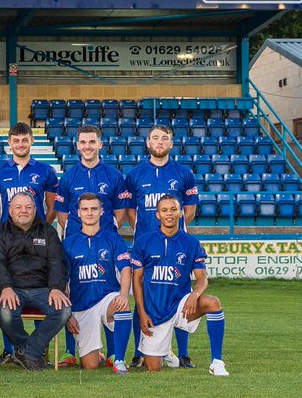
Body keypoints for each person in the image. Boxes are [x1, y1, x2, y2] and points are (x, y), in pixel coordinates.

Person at [124, 123, 200, 369]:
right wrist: (148, 236)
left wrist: (173, 231)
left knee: (181, 296)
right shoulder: (135, 175)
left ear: (171, 143)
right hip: (146, 249)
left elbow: (189, 210)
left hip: (177, 247)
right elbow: (129, 211)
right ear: (148, 143)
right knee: (142, 298)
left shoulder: (183, 173)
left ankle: (183, 353)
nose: (159, 142)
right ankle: (139, 351)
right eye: (155, 138)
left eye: (164, 138)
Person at [132, 195, 228, 377]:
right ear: (158, 215)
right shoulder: (143, 241)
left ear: (180, 213)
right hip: (155, 311)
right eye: (164, 210)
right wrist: (141, 313)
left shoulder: (191, 243)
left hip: (181, 306)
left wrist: (194, 295)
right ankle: (165, 350)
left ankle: (217, 362)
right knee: (153, 367)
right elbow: (137, 280)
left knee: (213, 303)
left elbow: (202, 280)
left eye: (173, 209)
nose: (169, 214)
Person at [0, 192, 70, 371]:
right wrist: (5, 287)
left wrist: (56, 288)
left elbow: (57, 262)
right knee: (5, 312)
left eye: (28, 207)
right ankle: (29, 351)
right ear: (10, 211)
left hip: (43, 289)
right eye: (18, 207)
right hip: (12, 289)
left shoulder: (48, 231)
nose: (23, 211)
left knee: (64, 310)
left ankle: (27, 352)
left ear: (35, 210)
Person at [62, 193, 133, 375]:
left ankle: (119, 359)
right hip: (81, 306)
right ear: (78, 212)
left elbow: (125, 269)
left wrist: (124, 295)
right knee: (90, 365)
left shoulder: (113, 238)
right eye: (85, 209)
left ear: (102, 211)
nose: (89, 213)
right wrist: (67, 314)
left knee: (121, 305)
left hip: (107, 298)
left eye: (94, 209)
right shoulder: (68, 243)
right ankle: (97, 355)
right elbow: (63, 282)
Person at [53, 124, 129, 235]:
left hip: (106, 239)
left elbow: (120, 214)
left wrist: (104, 235)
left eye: (92, 142)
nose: (87, 146)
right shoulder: (67, 177)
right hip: (76, 239)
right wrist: (79, 236)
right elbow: (62, 216)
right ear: (78, 145)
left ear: (100, 144)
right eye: (83, 142)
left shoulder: (115, 176)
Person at [0, 122, 58, 224]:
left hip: (37, 231)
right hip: (8, 233)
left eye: (25, 140)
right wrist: (4, 229)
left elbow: (53, 207)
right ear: (9, 142)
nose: (20, 145)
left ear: (32, 140)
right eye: (16, 141)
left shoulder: (47, 170)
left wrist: (43, 228)